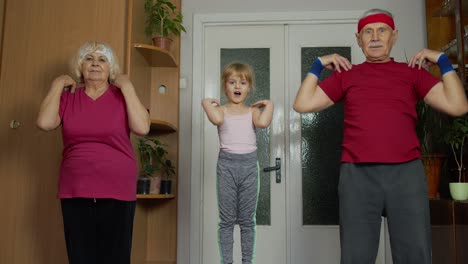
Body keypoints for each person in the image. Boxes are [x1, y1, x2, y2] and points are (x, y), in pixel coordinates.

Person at [293, 8, 468, 264]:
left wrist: (442, 61)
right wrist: (318, 64)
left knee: (415, 256)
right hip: (357, 177)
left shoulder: (412, 73)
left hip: (406, 176)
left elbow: (458, 106)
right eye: (368, 31)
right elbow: (302, 103)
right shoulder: (347, 75)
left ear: (393, 36)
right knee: (356, 257)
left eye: (382, 30)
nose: (375, 37)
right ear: (359, 39)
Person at [36, 41, 150, 264]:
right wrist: (57, 84)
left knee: (115, 256)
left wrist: (127, 87)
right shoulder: (68, 98)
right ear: (80, 67)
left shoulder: (122, 96)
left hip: (117, 186)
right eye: (89, 58)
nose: (95, 64)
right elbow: (44, 123)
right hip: (76, 187)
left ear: (111, 69)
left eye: (102, 59)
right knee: (81, 256)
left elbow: (142, 128)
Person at [202, 63, 274, 264]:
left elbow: (263, 123)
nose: (237, 86)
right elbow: (215, 119)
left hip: (250, 167)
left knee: (247, 221)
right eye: (232, 82)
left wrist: (270, 106)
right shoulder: (221, 111)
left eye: (243, 83)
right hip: (227, 167)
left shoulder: (253, 112)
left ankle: (246, 261)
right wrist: (206, 102)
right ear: (225, 86)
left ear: (249, 87)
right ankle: (227, 262)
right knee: (226, 221)